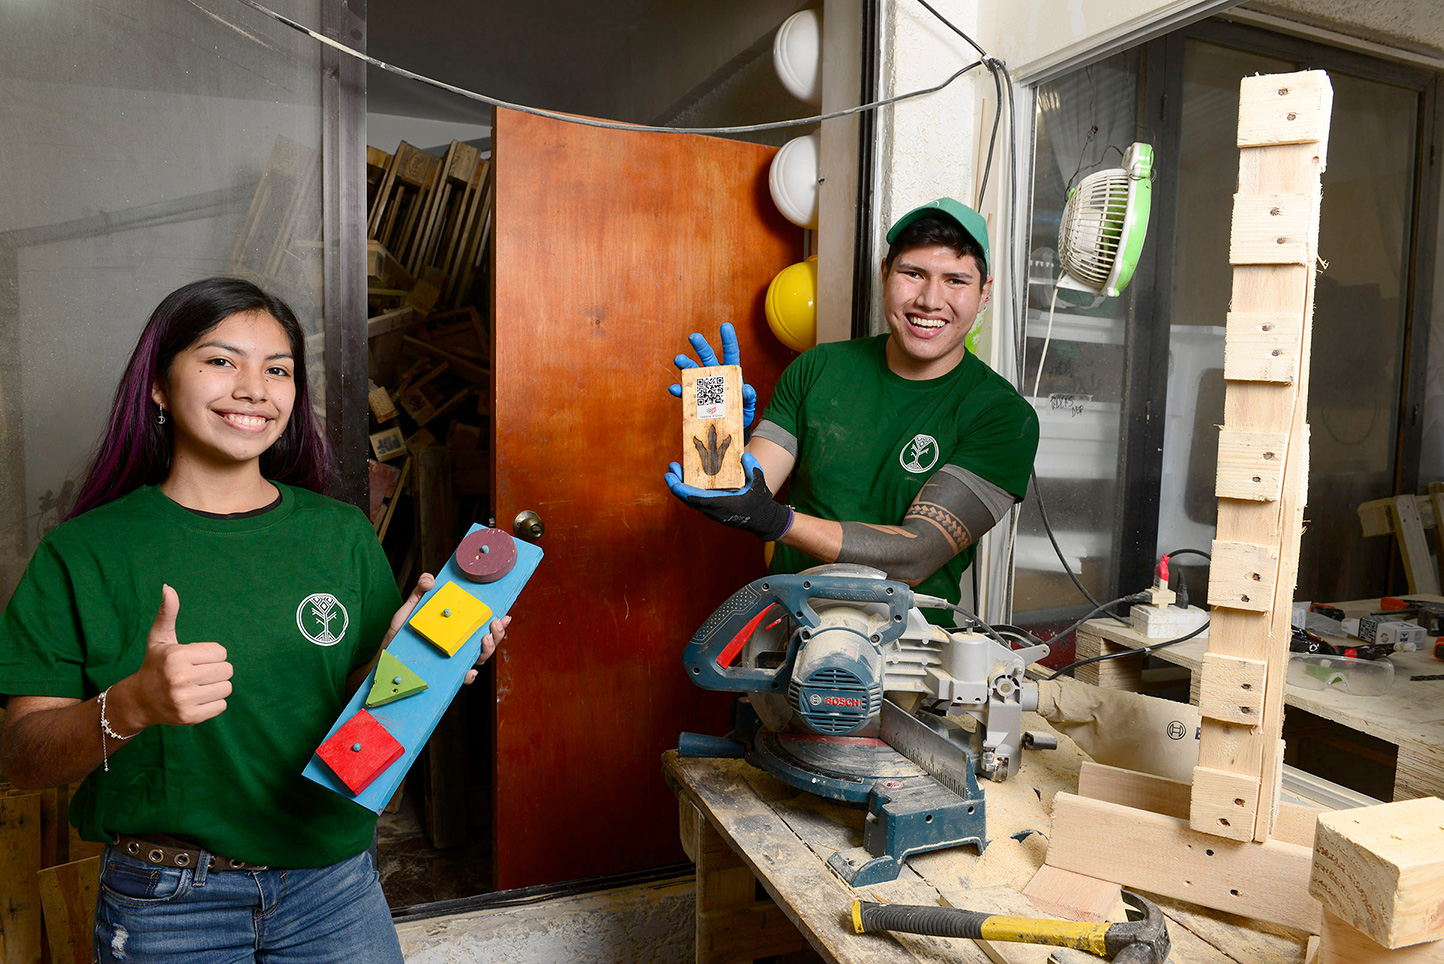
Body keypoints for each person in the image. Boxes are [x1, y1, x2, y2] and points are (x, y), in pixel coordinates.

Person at [0, 277, 508, 963]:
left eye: (278, 370)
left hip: (336, 888)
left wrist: (409, 659)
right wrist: (133, 704)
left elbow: (358, 712)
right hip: (167, 904)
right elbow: (23, 756)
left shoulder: (340, 534)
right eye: (220, 361)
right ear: (157, 385)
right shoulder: (84, 552)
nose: (254, 388)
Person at [666, 198, 1039, 613]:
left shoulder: (1003, 416)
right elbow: (743, 493)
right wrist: (717, 427)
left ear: (984, 293)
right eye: (913, 273)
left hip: (911, 654)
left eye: (956, 281)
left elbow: (916, 555)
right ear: (885, 273)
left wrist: (776, 521)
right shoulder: (819, 367)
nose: (931, 300)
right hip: (790, 628)